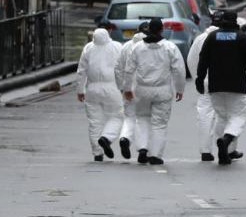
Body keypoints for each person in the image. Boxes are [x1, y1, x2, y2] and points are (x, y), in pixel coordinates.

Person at [117, 17, 185, 166]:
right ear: (162, 29)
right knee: (159, 123)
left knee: (142, 119)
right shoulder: (170, 47)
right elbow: (179, 70)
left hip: (142, 90)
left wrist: (127, 88)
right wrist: (180, 89)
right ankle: (155, 155)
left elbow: (128, 69)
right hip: (162, 91)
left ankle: (142, 149)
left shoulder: (138, 47)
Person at [195, 10, 246, 166]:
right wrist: (241, 66)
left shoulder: (212, 37)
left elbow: (203, 59)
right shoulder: (241, 37)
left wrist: (200, 78)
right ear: (235, 20)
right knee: (238, 116)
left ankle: (225, 153)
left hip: (216, 85)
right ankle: (227, 139)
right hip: (237, 85)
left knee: (222, 117)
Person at [76, 27, 123, 162]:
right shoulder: (116, 47)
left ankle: (97, 152)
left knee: (95, 122)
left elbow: (82, 71)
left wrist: (80, 90)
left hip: (92, 88)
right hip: (112, 87)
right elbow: (121, 68)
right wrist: (123, 86)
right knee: (117, 116)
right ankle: (106, 137)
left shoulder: (88, 48)